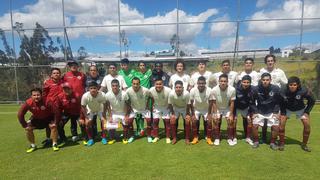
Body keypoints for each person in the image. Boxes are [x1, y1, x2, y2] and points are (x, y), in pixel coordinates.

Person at [17, 88, 59, 153]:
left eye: (38, 95)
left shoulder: (47, 101)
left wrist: (55, 122)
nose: (36, 97)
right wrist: (24, 125)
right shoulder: (28, 102)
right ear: (31, 96)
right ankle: (33, 145)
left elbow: (56, 112)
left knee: (53, 126)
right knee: (28, 129)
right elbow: (20, 114)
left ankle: (54, 144)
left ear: (41, 95)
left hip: (48, 118)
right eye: (34, 95)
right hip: (36, 119)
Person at [279, 76, 315, 151]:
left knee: (307, 125)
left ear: (298, 85)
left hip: (300, 109)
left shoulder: (303, 90)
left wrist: (306, 112)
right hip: (287, 109)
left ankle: (304, 145)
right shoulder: (283, 90)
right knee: (281, 125)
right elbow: (280, 102)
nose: (292, 86)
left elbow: (312, 101)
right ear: (288, 85)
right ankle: (282, 143)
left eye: (294, 85)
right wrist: (283, 112)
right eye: (290, 85)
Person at [259, 55, 288, 143]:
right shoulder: (262, 71)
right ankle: (263, 137)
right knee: (264, 119)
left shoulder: (280, 72)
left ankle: (273, 139)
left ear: (274, 61)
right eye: (268, 61)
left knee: (274, 119)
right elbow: (258, 82)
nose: (270, 62)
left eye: (271, 60)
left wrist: (282, 94)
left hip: (275, 99)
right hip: (264, 98)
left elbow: (285, 83)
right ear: (266, 62)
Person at [251, 73, 282, 150]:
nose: (265, 81)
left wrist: (275, 112)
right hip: (259, 111)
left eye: (267, 80)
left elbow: (278, 101)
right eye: (263, 80)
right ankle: (256, 141)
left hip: (271, 111)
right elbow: (252, 102)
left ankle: (272, 142)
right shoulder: (255, 89)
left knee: (275, 126)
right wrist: (255, 112)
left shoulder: (276, 88)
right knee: (254, 125)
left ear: (270, 80)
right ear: (261, 80)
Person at [124, 77, 153, 143]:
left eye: (137, 84)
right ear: (131, 84)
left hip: (144, 109)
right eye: (134, 84)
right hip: (134, 109)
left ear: (140, 83)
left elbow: (151, 97)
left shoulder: (145, 90)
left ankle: (149, 136)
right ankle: (132, 136)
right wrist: (129, 107)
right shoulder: (128, 90)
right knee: (129, 121)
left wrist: (148, 105)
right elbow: (126, 100)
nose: (135, 85)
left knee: (149, 121)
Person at [63, 60, 86, 142]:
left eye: (75, 65)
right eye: (71, 65)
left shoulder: (82, 75)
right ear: (69, 67)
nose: (73, 66)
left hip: (80, 100)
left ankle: (84, 134)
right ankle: (74, 135)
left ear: (77, 66)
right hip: (70, 100)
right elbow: (59, 83)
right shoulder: (65, 75)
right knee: (73, 119)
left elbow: (85, 84)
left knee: (81, 117)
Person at [210, 74, 236, 146]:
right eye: (221, 81)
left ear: (227, 82)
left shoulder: (232, 89)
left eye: (225, 81)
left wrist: (231, 114)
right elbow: (214, 102)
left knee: (230, 121)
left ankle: (229, 138)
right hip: (217, 108)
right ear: (219, 81)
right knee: (215, 120)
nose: (223, 83)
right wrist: (215, 114)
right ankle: (217, 138)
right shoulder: (214, 90)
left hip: (227, 108)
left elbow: (232, 102)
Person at [81, 81, 107, 146]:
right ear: (88, 89)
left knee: (104, 122)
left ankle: (104, 138)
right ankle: (90, 139)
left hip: (100, 109)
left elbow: (105, 104)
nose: (93, 90)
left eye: (94, 88)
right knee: (87, 123)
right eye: (91, 88)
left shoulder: (102, 94)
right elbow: (83, 106)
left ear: (97, 88)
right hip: (91, 110)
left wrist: (104, 113)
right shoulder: (85, 96)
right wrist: (86, 117)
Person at [42, 68, 64, 145]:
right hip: (49, 107)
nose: (56, 74)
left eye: (58, 73)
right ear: (51, 75)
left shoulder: (63, 82)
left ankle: (58, 138)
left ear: (60, 74)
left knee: (58, 123)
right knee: (49, 123)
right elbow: (44, 95)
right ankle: (48, 138)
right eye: (54, 73)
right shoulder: (47, 83)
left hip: (59, 107)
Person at [189, 76, 213, 145]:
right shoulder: (193, 90)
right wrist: (193, 114)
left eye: (203, 83)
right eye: (199, 83)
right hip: (196, 109)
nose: (201, 85)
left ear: (205, 83)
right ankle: (195, 137)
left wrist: (209, 113)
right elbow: (191, 102)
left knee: (208, 122)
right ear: (197, 83)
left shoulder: (209, 90)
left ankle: (208, 138)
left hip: (206, 109)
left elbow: (211, 102)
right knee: (194, 122)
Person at [105, 79, 129, 144]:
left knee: (126, 123)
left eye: (116, 86)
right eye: (113, 86)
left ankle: (125, 138)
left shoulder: (124, 94)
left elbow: (128, 105)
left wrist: (126, 116)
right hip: (114, 112)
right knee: (109, 125)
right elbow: (108, 106)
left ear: (119, 86)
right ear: (111, 86)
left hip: (123, 112)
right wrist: (110, 116)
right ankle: (112, 138)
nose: (115, 87)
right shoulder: (107, 94)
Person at [168, 80, 192, 145]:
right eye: (177, 87)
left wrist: (187, 114)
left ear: (183, 88)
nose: (178, 89)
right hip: (176, 108)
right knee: (173, 120)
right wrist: (172, 114)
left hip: (185, 108)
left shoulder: (186, 93)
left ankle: (187, 138)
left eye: (180, 87)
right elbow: (170, 104)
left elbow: (188, 104)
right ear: (174, 88)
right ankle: (174, 138)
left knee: (187, 120)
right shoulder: (171, 94)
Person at [149, 78, 172, 143]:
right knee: (155, 121)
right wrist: (152, 104)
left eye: (160, 84)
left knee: (167, 121)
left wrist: (170, 107)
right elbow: (151, 97)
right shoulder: (151, 90)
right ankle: (156, 136)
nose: (158, 85)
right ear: (154, 84)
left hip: (166, 107)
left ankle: (168, 137)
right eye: (157, 84)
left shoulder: (168, 90)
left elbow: (171, 99)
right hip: (157, 107)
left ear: (163, 84)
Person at [234, 75, 255, 146]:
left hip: (245, 108)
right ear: (241, 82)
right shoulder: (236, 89)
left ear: (250, 83)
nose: (246, 84)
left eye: (247, 82)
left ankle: (248, 137)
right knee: (233, 120)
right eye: (244, 82)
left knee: (249, 120)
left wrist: (249, 113)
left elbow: (252, 102)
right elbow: (233, 101)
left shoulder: (252, 90)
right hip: (236, 107)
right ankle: (234, 136)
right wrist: (233, 114)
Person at [85, 65, 103, 139]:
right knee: (93, 119)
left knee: (102, 119)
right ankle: (94, 134)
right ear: (89, 71)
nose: (93, 71)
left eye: (94, 70)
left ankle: (103, 134)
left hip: (99, 102)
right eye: (91, 70)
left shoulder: (101, 79)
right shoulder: (86, 79)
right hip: (91, 102)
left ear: (97, 71)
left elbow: (103, 88)